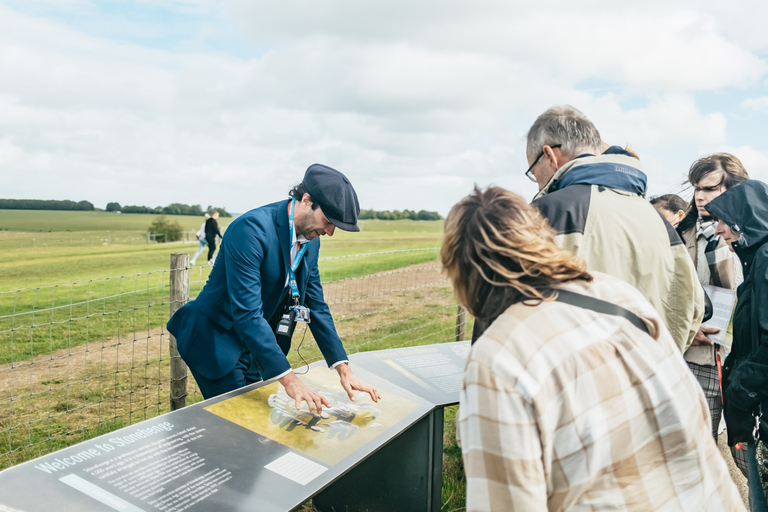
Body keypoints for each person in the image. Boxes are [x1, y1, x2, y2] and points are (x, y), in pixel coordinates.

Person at [443, 186, 744, 511]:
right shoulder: (615, 292)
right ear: (540, 237)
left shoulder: (498, 356)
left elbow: (507, 501)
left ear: (460, 267)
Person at [168, 164, 380, 413]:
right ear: (306, 200)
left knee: (259, 423)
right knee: (239, 426)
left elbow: (316, 305)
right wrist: (290, 380)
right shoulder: (250, 230)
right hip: (216, 340)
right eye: (328, 221)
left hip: (255, 344)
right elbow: (247, 313)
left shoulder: (311, 241)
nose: (330, 232)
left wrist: (343, 369)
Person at [525, 105, 703, 352]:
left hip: (576, 384)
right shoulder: (657, 219)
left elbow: (509, 311)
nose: (537, 185)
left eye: (533, 173)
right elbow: (691, 305)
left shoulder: (546, 213)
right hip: (652, 379)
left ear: (549, 155)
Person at [676, 154, 748, 442]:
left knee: (747, 455)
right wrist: (686, 329)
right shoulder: (681, 235)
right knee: (695, 447)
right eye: (697, 189)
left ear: (733, 189)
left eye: (710, 189)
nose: (701, 196)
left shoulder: (752, 234)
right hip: (697, 357)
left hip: (742, 360)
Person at [707, 180, 768, 510]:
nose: (718, 229)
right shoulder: (758, 258)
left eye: (724, 220)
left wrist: (741, 390)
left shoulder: (766, 260)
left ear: (746, 219)